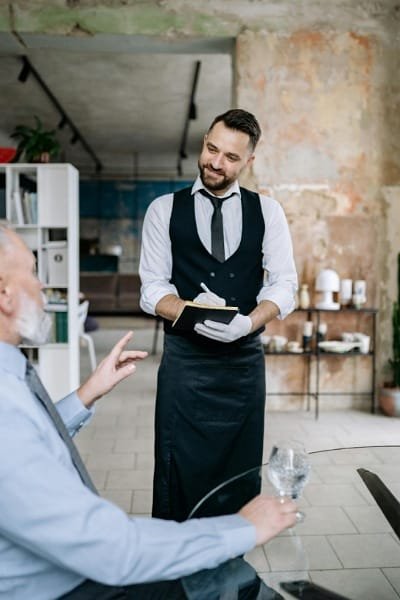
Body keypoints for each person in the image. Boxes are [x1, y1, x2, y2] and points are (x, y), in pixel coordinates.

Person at [0, 224, 298, 600]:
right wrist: (243, 528)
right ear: (5, 294)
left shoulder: (9, 377)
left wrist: (86, 394)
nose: (43, 287)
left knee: (232, 577)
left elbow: (30, 439)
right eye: (32, 272)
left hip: (76, 568)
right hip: (70, 586)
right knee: (234, 582)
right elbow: (112, 550)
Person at [140, 108, 298, 522]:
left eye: (230, 157)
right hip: (185, 364)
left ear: (249, 162)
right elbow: (153, 289)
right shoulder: (162, 210)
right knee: (177, 468)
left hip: (242, 366)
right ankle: (176, 568)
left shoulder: (268, 212)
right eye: (212, 149)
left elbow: (285, 285)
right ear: (204, 141)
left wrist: (249, 322)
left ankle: (232, 560)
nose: (215, 162)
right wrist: (190, 311)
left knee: (241, 471)